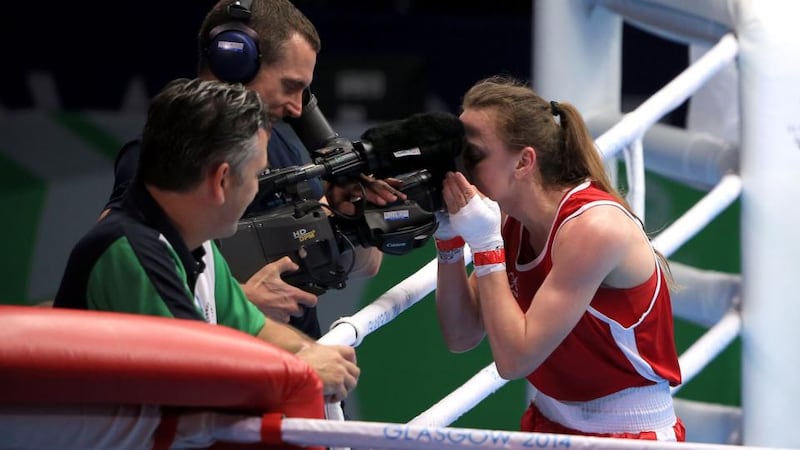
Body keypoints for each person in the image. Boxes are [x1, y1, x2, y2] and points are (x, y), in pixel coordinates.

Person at [102, 0, 404, 339]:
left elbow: (366, 264)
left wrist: (349, 216)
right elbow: (125, 278)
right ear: (233, 62)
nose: (296, 107)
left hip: (292, 368)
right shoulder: (159, 158)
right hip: (217, 373)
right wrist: (242, 305)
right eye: (290, 86)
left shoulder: (285, 145)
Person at [54, 77, 359, 405]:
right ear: (222, 180)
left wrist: (310, 351)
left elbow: (255, 328)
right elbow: (197, 380)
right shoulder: (130, 253)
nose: (257, 189)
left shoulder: (196, 240)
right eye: (257, 176)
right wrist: (300, 367)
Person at [433, 76, 685, 441]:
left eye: (473, 155)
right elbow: (461, 335)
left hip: (628, 435)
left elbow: (514, 360)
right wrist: (450, 242)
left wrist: (486, 244)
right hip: (547, 423)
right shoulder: (510, 218)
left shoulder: (594, 228)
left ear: (523, 162)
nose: (461, 169)